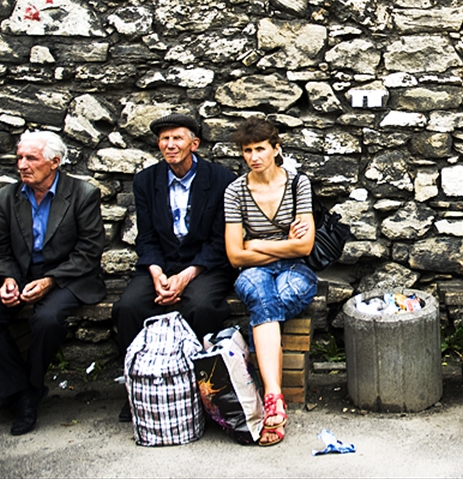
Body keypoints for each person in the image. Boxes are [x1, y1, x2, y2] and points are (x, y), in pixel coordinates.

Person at [0, 131, 105, 435]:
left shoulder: (82, 194)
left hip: (68, 278)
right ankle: (18, 389)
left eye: (31, 158)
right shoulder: (6, 197)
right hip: (21, 275)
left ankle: (31, 387)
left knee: (47, 318)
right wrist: (7, 279)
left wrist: (50, 280)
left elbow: (89, 251)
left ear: (55, 162)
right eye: (20, 158)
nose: (23, 165)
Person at [112, 113, 237, 422]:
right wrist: (156, 273)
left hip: (205, 266)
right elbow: (147, 237)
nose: (170, 145)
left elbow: (219, 239)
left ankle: (200, 390)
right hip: (162, 264)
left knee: (201, 305)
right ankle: (137, 390)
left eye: (177, 138)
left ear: (194, 144)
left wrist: (186, 275)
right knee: (128, 307)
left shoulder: (221, 179)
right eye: (165, 139)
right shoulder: (146, 180)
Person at [224, 116, 317, 447]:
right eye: (247, 151)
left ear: (276, 149)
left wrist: (257, 245)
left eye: (260, 148)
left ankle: (268, 397)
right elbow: (235, 256)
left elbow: (304, 247)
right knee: (264, 295)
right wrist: (283, 246)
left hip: (296, 270)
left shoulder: (297, 184)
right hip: (253, 273)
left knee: (265, 304)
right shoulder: (235, 191)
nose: (254, 157)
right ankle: (275, 396)